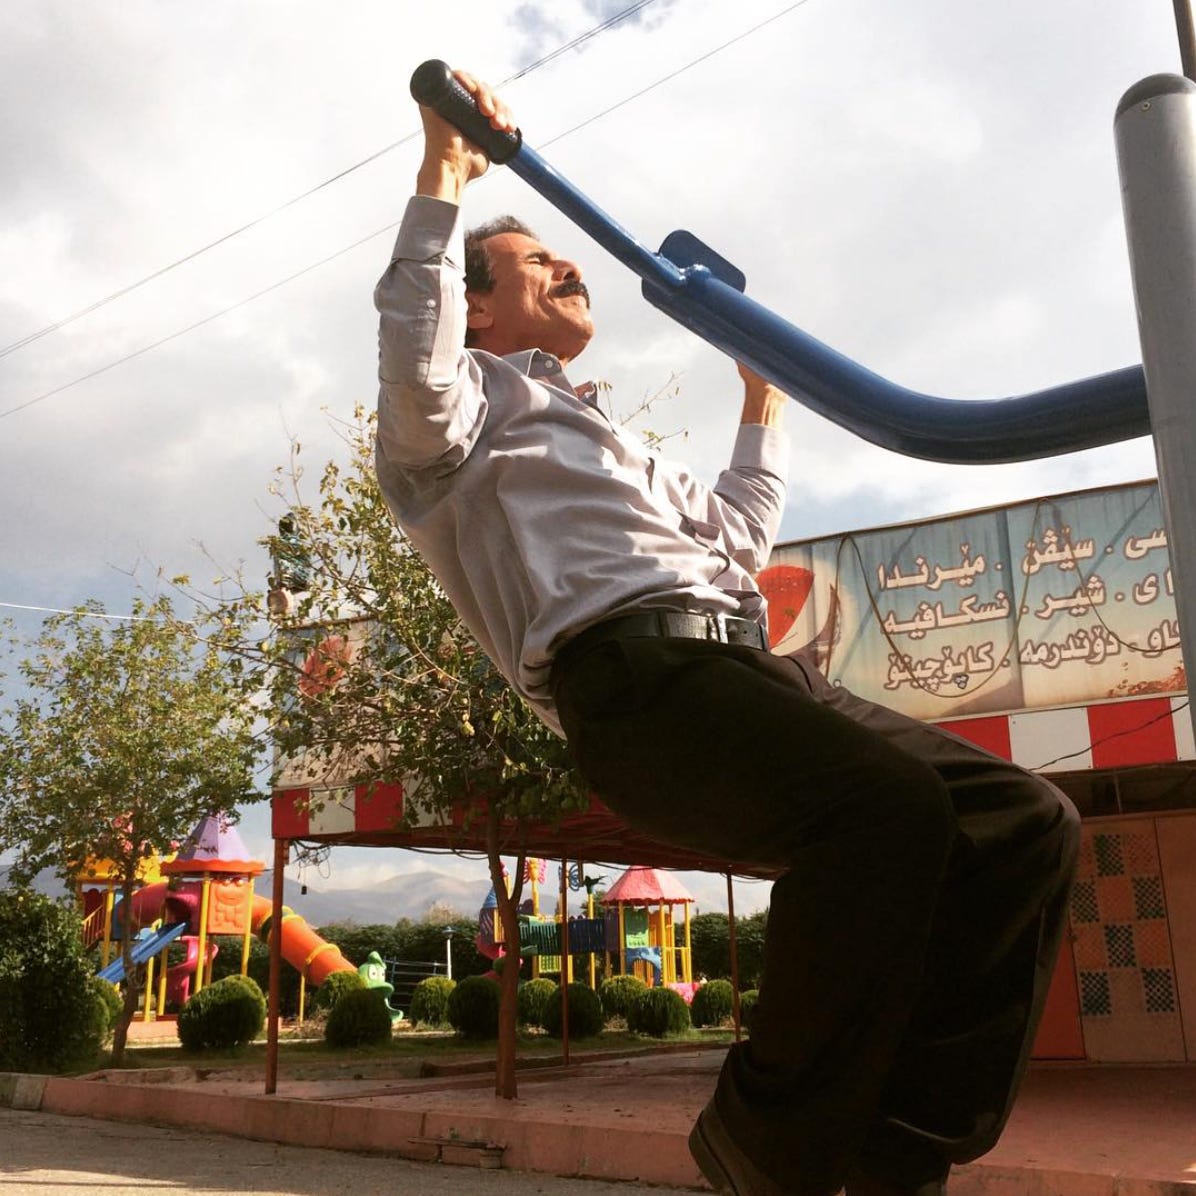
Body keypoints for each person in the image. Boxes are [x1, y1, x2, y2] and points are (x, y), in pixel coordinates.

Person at [374, 69, 1080, 1196]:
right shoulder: (460, 426)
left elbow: (739, 536)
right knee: (887, 813)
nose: (567, 267)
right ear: (478, 309)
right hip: (637, 682)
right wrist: (443, 173)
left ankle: (907, 1142)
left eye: (563, 257)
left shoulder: (611, 441)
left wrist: (762, 396)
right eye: (535, 261)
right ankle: (764, 1139)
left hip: (744, 666)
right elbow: (414, 363)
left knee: (1022, 821)